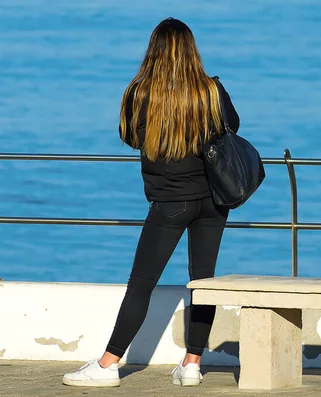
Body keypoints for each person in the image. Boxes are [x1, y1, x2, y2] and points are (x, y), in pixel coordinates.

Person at [62, 17, 239, 388]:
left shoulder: (140, 93)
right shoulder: (210, 90)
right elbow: (231, 127)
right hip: (213, 200)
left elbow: (130, 136)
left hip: (169, 202)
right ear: (192, 50)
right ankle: (192, 364)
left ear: (153, 51)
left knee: (141, 283)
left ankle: (109, 364)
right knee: (201, 281)